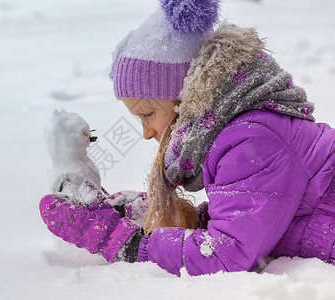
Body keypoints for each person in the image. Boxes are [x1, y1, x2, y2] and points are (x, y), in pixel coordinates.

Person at [39, 0, 334, 276]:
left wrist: (122, 241)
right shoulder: (243, 130)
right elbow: (259, 220)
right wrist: (182, 217)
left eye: (147, 114)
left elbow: (225, 255)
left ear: (185, 96)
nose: (146, 133)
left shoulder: (252, 139)